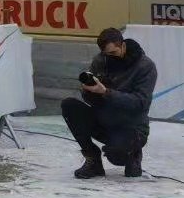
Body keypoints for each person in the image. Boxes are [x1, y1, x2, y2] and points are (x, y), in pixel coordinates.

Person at [61, 27, 157, 179]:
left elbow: (140, 103)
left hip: (132, 127)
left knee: (116, 157)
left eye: (113, 53)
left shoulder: (145, 66)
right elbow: (92, 100)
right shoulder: (101, 60)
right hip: (105, 120)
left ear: (123, 45)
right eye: (106, 54)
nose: (110, 57)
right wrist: (89, 91)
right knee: (69, 105)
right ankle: (92, 159)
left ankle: (134, 154)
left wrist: (106, 92)